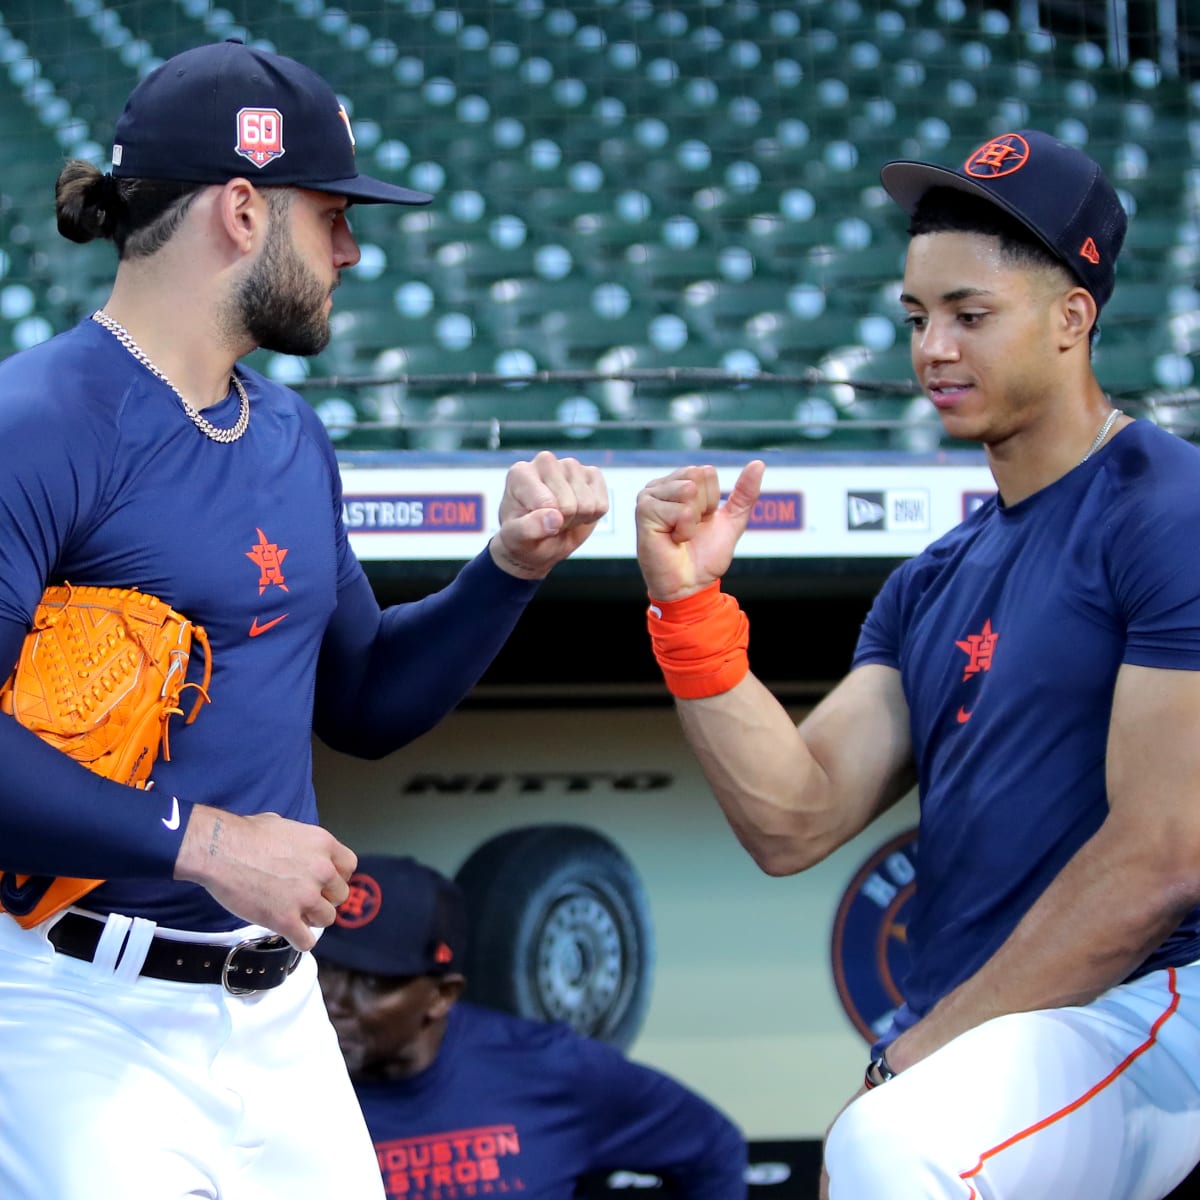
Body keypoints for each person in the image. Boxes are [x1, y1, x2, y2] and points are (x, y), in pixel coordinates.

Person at [0, 39, 609, 1200]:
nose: (352, 247)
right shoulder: (32, 425)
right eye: (330, 213)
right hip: (67, 1002)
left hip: (274, 1016)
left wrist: (508, 569)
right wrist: (207, 842)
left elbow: (367, 701)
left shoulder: (285, 433)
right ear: (241, 209)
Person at [634, 128, 1200, 1199]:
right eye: (916, 318)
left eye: (969, 315)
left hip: (1161, 998)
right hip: (1012, 1041)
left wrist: (917, 1057)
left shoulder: (1171, 508)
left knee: (896, 1146)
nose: (932, 348)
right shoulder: (935, 577)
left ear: (1074, 316)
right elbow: (792, 817)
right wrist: (689, 608)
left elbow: (1166, 853)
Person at [313, 853, 748, 1199]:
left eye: (371, 983)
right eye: (324, 969)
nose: (334, 1000)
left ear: (441, 995)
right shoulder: (271, 1083)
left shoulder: (551, 1069)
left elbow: (713, 1147)